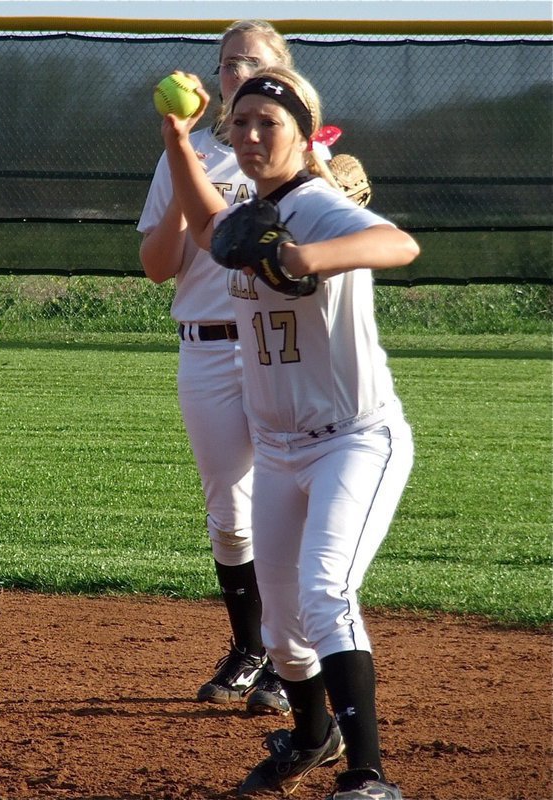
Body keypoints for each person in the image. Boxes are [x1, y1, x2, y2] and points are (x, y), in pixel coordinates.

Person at [157, 63, 420, 800]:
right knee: (279, 631)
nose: (247, 135)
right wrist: (178, 139)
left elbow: (398, 245)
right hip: (277, 451)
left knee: (325, 590)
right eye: (237, 123)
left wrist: (301, 258)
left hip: (352, 440)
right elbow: (210, 227)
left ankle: (367, 778)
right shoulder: (248, 212)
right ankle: (312, 735)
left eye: (265, 123)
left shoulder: (319, 204)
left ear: (305, 139)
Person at [138, 20, 295, 716]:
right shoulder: (189, 154)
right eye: (227, 64)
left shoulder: (294, 158)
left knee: (285, 505)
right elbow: (155, 267)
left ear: (281, 76)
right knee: (229, 515)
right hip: (204, 349)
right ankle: (249, 648)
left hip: (276, 346)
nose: (235, 74)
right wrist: (186, 169)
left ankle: (292, 659)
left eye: (251, 63)